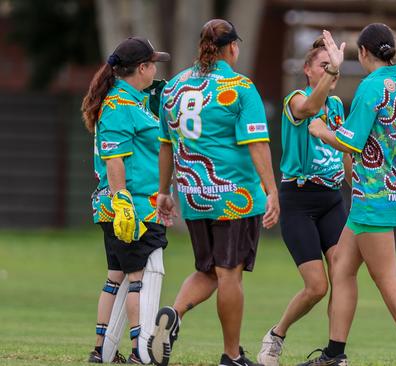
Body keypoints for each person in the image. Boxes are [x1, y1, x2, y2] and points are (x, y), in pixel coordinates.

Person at [301, 23, 396, 366]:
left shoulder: (369, 87)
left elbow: (351, 141)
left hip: (375, 192)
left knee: (387, 278)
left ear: (363, 53)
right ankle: (334, 354)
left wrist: (320, 130)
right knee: (343, 268)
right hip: (395, 185)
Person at [147, 19, 280, 366]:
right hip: (234, 195)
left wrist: (164, 192)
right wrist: (271, 190)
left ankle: (172, 314)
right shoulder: (240, 87)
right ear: (232, 47)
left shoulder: (173, 88)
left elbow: (165, 145)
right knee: (230, 272)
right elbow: (257, 144)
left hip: (192, 194)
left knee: (210, 269)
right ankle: (232, 355)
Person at [257, 31, 350, 366]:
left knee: (343, 275)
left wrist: (358, 188)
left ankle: (335, 354)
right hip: (299, 200)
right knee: (316, 287)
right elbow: (310, 108)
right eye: (324, 66)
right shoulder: (295, 99)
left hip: (332, 199)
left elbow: (346, 151)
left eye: (334, 66)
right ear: (309, 71)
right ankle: (277, 335)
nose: (331, 71)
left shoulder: (338, 106)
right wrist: (334, 71)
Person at [80, 36, 170, 364]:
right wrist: (122, 202)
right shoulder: (119, 105)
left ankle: (102, 351)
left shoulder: (131, 100)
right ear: (142, 68)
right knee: (140, 278)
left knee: (115, 276)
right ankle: (141, 353)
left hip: (128, 204)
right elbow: (115, 158)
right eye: (153, 63)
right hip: (132, 207)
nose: (156, 69)